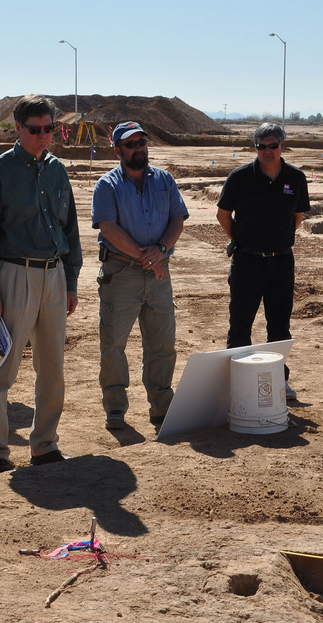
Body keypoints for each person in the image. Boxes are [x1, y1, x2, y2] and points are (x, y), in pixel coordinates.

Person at [0, 94, 81, 472]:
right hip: (13, 275)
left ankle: (44, 445)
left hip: (54, 275)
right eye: (35, 130)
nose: (43, 136)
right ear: (17, 128)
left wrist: (71, 281)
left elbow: (71, 229)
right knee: (3, 368)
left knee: (52, 368)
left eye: (49, 129)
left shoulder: (57, 171)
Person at [92, 121, 187, 430]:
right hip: (121, 275)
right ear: (117, 150)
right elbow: (109, 228)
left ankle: (161, 406)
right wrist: (148, 258)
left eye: (141, 142)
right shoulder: (107, 186)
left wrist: (159, 250)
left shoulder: (165, 180)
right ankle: (115, 408)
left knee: (162, 344)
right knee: (113, 344)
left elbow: (177, 219)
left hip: (159, 274)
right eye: (130, 145)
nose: (138, 149)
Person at [216, 123, 309, 400]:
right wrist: (243, 240)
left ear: (283, 145)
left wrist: (277, 240)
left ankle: (279, 380)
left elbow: (298, 218)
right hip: (247, 261)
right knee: (240, 323)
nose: (267, 151)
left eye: (272, 145)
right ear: (254, 147)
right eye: (261, 146)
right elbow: (223, 215)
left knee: (279, 325)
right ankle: (237, 383)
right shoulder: (240, 177)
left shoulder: (296, 177)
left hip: (281, 262)